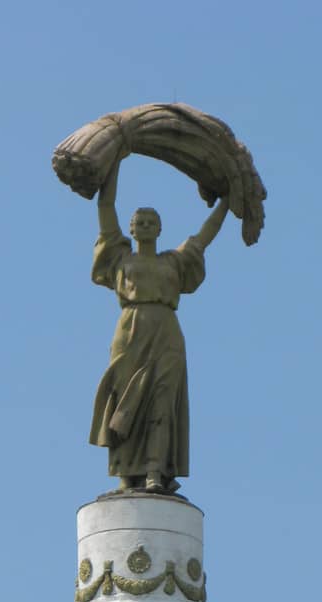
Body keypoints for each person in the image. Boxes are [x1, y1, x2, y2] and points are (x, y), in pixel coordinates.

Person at [89, 156, 230, 493]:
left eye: (153, 220)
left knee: (162, 402)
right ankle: (126, 474)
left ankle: (155, 471)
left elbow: (205, 236)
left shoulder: (174, 261)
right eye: (140, 220)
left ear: (161, 228)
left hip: (166, 332)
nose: (147, 224)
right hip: (130, 331)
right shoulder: (120, 257)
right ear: (132, 227)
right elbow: (106, 205)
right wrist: (115, 158)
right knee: (125, 399)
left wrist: (227, 201)